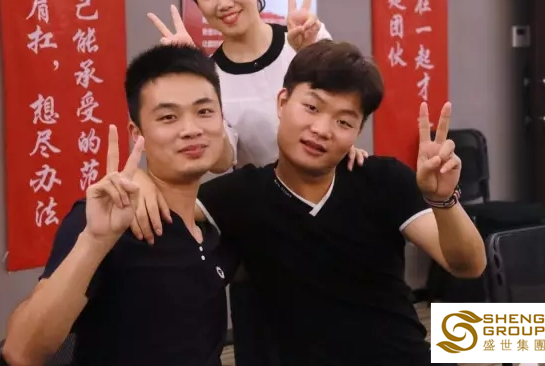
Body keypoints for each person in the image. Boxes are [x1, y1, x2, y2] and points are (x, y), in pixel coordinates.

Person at [138, 40, 487, 365]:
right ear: (282, 102)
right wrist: (141, 180)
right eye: (311, 107)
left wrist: (443, 200)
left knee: (505, 339)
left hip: (402, 355)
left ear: (357, 131)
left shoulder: (382, 179)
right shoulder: (239, 194)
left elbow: (468, 266)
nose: (322, 129)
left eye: (343, 121)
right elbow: (167, 199)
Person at [141, 0, 366, 366]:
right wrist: (195, 80)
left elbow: (349, 111)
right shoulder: (212, 76)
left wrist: (309, 53)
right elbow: (223, 160)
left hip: (332, 220)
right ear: (197, 3)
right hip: (264, 237)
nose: (224, 2)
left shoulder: (305, 40)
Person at [2, 44, 240, 366]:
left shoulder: (213, 228)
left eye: (204, 112)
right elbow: (21, 352)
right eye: (168, 117)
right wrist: (95, 241)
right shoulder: (107, 222)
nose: (191, 129)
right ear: (136, 133)